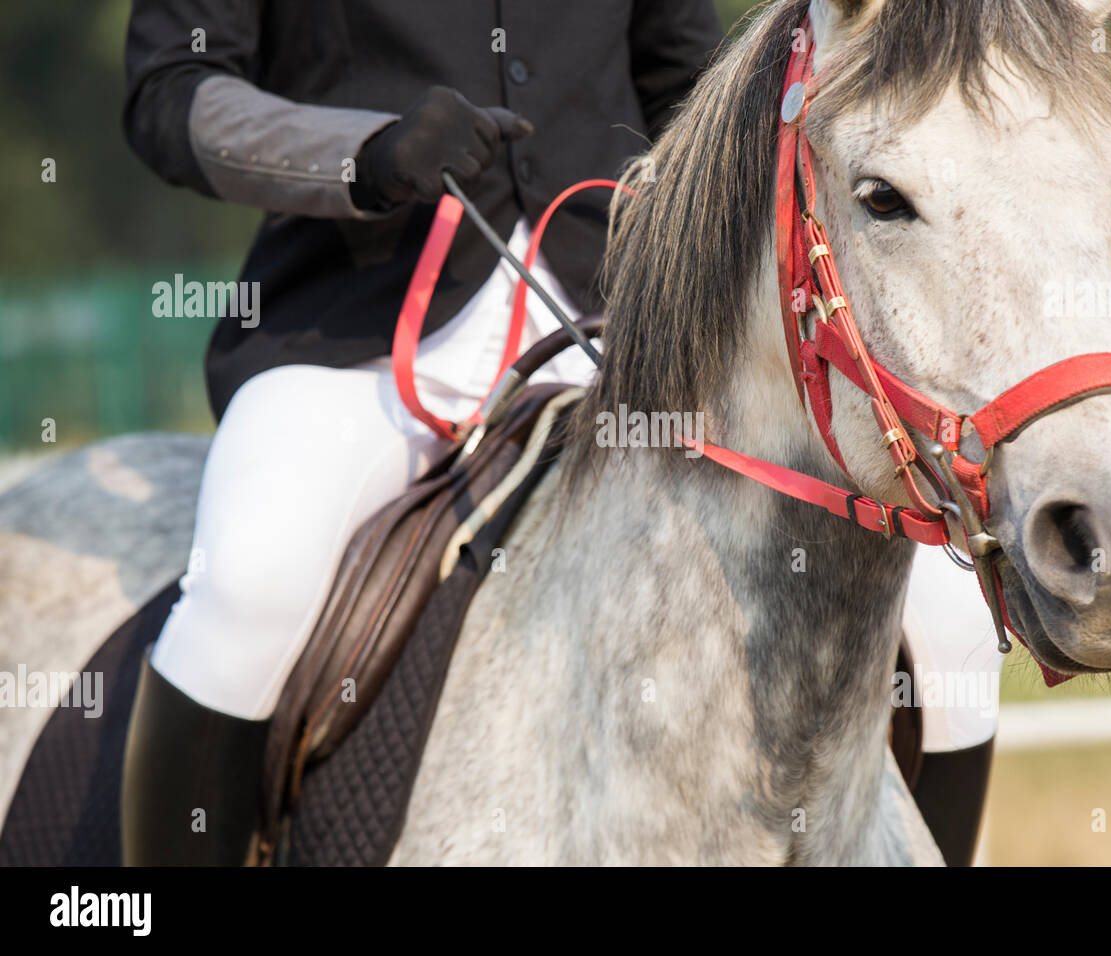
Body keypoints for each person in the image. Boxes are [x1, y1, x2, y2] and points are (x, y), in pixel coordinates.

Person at [119, 0, 724, 865]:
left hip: (614, 327)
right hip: (352, 332)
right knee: (250, 583)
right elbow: (172, 89)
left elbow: (692, 86)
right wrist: (366, 153)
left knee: (933, 610)